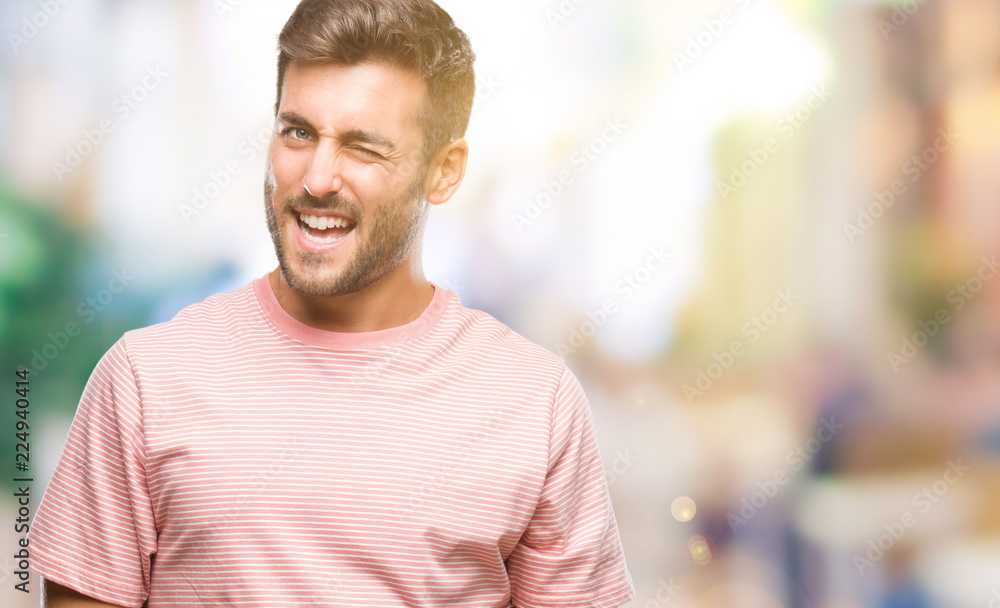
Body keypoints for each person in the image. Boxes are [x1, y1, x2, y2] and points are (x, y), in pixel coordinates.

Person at [28, 0, 636, 606]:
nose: (317, 178)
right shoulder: (144, 380)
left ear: (444, 172)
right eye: (298, 132)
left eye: (363, 147)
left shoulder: (534, 401)